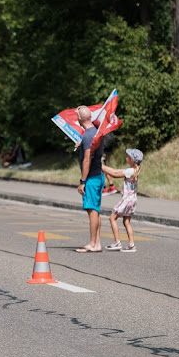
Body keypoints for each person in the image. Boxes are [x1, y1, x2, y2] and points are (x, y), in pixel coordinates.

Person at [75, 106, 105, 253]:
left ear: (80, 119)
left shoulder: (87, 136)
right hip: (99, 175)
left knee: (92, 210)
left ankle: (93, 243)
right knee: (96, 211)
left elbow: (87, 160)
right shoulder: (96, 132)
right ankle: (97, 243)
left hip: (92, 178)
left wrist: (83, 181)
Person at [102, 148, 143, 253]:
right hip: (133, 199)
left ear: (132, 160)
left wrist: (101, 166)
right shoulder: (133, 170)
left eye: (128, 157)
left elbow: (115, 173)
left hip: (127, 199)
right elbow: (115, 171)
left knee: (112, 218)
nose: (126, 158)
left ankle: (117, 242)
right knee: (126, 222)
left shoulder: (130, 171)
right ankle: (131, 245)